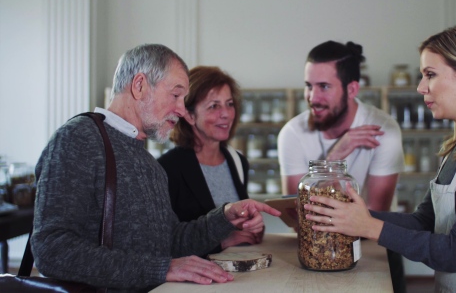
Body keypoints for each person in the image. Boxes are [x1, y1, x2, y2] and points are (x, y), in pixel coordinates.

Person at [304, 25, 456, 292]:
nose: (420, 87)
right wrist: (355, 218)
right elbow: (423, 222)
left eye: (430, 75)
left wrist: (370, 227)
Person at [31, 44, 280, 292]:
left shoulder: (149, 165)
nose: (182, 110)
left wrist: (225, 215)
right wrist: (161, 268)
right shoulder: (78, 139)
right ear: (139, 85)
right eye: (175, 95)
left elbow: (171, 241)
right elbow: (52, 249)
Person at [277, 40, 404, 212]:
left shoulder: (383, 130)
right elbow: (296, 214)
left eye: (324, 86)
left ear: (351, 90)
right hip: (314, 238)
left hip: (369, 239)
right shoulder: (292, 133)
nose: (312, 98)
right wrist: (333, 160)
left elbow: (376, 215)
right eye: (309, 86)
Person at [158, 66, 260, 253]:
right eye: (214, 106)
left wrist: (254, 226)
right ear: (189, 115)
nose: (226, 114)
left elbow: (243, 228)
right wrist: (219, 244)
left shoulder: (237, 161)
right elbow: (163, 241)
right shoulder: (166, 168)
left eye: (229, 104)